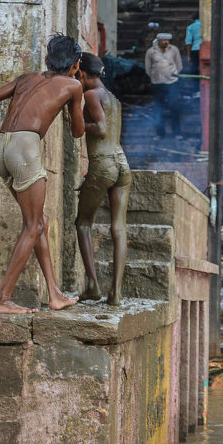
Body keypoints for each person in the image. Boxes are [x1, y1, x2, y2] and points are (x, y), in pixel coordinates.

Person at [0, 34, 85, 314]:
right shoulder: (73, 85)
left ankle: (55, 295)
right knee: (32, 226)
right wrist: (73, 105)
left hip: (2, 148)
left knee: (37, 221)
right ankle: (2, 299)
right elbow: (77, 132)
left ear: (47, 60)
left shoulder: (25, 78)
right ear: (75, 65)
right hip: (25, 149)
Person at [74, 53, 131, 305]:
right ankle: (116, 294)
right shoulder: (114, 99)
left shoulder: (91, 95)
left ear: (84, 74)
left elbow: (101, 127)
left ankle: (94, 286)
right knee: (118, 228)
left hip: (103, 165)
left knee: (83, 223)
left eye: (78, 75)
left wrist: (76, 121)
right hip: (122, 164)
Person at [144, 32, 182, 137]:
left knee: (174, 107)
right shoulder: (151, 52)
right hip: (157, 82)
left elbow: (179, 65)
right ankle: (160, 133)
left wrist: (173, 75)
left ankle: (177, 133)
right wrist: (154, 76)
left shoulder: (174, 50)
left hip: (172, 82)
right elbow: (148, 68)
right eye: (164, 40)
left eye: (168, 40)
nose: (166, 42)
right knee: (158, 108)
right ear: (159, 41)